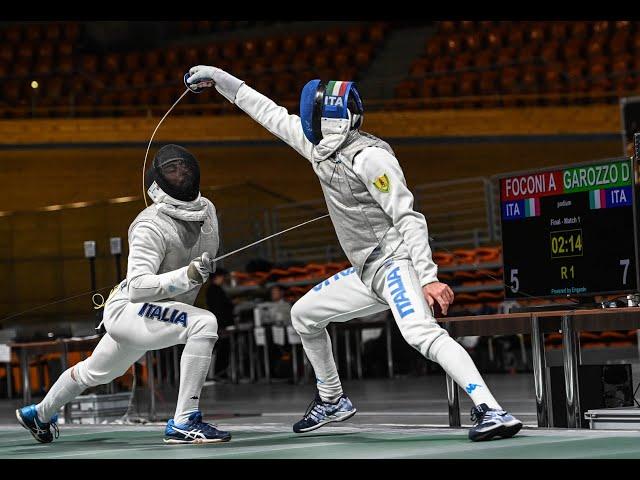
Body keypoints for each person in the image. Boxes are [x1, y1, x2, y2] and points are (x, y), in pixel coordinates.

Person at [185, 67, 522, 442]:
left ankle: (492, 410)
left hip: (395, 263)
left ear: (323, 119)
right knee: (304, 315)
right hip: (366, 272)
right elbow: (267, 111)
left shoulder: (370, 158)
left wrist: (428, 277)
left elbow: (408, 216)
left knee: (420, 334)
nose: (302, 118)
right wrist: (219, 79)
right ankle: (332, 399)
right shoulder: (317, 147)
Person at [16, 144, 231, 444]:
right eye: (171, 169)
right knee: (204, 323)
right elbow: (138, 286)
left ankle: (38, 414)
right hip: (131, 309)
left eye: (184, 166)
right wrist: (187, 275)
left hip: (157, 312)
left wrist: (201, 267)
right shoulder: (149, 225)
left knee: (96, 371)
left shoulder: (207, 210)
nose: (181, 172)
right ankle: (184, 421)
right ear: (158, 181)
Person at [205, 268, 234, 378]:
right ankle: (219, 374)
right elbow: (219, 309)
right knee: (221, 350)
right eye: (222, 277)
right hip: (221, 325)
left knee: (219, 350)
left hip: (218, 324)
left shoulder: (212, 290)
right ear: (217, 277)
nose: (223, 279)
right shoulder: (215, 290)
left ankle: (217, 374)